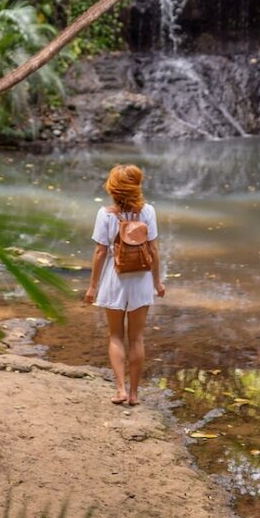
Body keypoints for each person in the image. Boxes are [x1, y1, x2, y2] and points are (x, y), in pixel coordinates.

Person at [84, 163, 165, 405]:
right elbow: (153, 249)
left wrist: (92, 287)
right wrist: (157, 282)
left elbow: (100, 252)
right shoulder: (148, 212)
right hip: (141, 279)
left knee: (116, 336)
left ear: (113, 188)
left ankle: (120, 389)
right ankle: (134, 394)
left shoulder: (105, 214)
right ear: (136, 187)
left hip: (114, 277)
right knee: (137, 337)